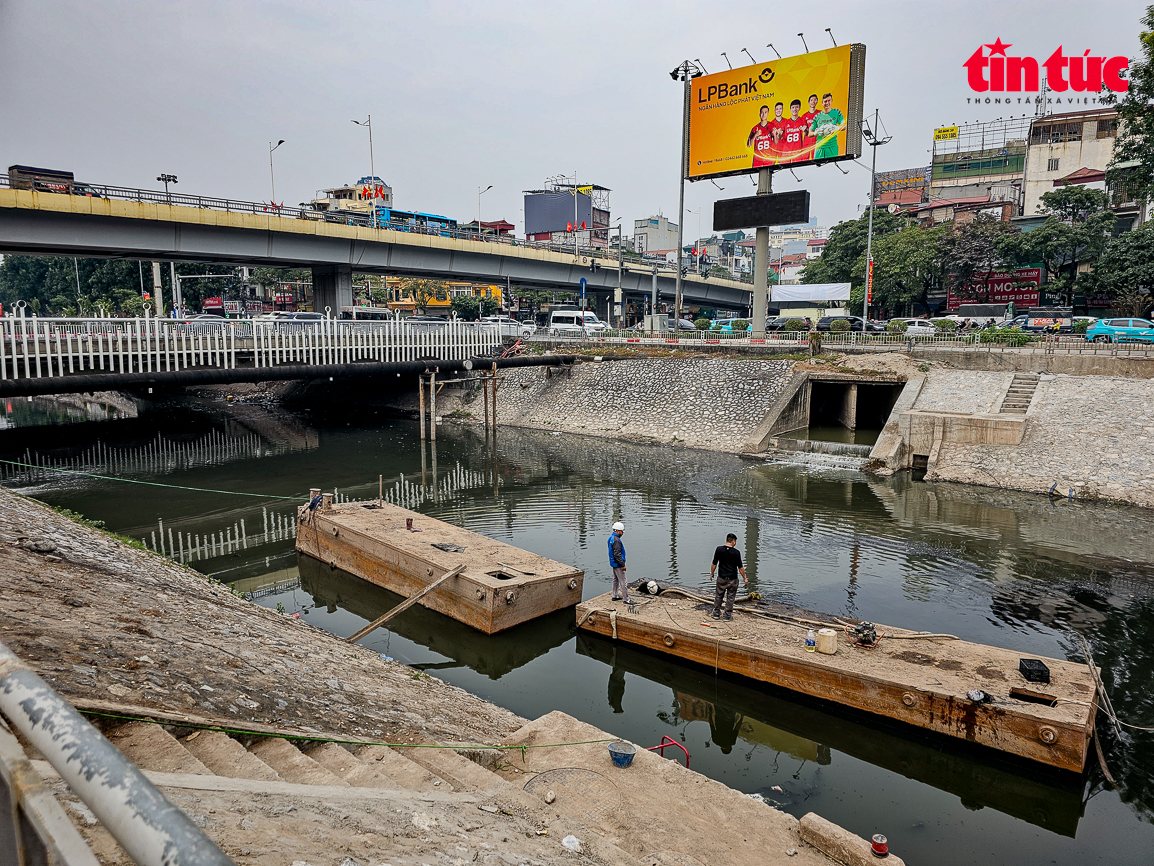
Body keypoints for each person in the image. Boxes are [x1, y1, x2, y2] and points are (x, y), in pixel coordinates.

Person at [710, 533, 748, 621]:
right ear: (733, 542)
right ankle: (727, 615)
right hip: (732, 579)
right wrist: (745, 578)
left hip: (721, 577)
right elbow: (740, 567)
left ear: (727, 540)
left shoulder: (719, 549)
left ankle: (716, 613)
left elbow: (714, 563)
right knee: (730, 598)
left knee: (719, 595)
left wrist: (712, 573)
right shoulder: (736, 552)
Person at [810, 92, 846, 160]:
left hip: (832, 146)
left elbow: (844, 126)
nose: (827, 103)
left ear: (831, 101)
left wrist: (837, 128)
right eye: (825, 101)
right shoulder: (817, 116)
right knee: (817, 167)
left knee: (832, 167)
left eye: (829, 100)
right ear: (822, 103)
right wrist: (816, 132)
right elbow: (810, 133)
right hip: (820, 147)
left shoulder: (837, 112)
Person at [747, 104, 775, 168]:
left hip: (768, 158)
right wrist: (755, 135)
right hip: (757, 159)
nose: (763, 114)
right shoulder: (755, 128)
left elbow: (777, 141)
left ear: (768, 114)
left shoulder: (772, 125)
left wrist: (775, 134)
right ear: (759, 114)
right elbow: (748, 145)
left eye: (765, 112)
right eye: (762, 112)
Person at [607, 521, 630, 602]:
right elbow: (617, 554)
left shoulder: (611, 538)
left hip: (613, 563)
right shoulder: (616, 540)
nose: (622, 533)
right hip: (618, 564)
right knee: (623, 581)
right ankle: (626, 599)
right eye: (622, 531)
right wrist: (622, 565)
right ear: (618, 531)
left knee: (615, 579)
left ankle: (615, 595)